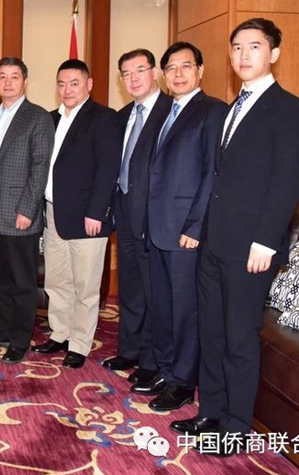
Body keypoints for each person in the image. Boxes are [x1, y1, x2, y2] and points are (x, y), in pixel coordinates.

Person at [172, 19, 299, 454]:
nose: (244, 54)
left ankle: (235, 429)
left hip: (251, 247)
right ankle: (210, 415)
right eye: (236, 47)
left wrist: (266, 242)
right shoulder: (233, 108)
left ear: (274, 53)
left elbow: (287, 181)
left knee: (238, 338)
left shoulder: (290, 108)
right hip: (214, 242)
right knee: (211, 333)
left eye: (254, 46)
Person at [131, 42, 227, 412]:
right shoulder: (165, 112)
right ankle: (167, 370)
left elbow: (212, 173)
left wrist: (195, 226)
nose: (178, 74)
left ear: (200, 70)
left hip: (185, 232)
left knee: (185, 310)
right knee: (163, 306)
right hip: (157, 229)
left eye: (186, 66)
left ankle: (184, 382)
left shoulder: (212, 111)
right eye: (171, 68)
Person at [32, 59, 121, 369]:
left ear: (89, 84)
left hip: (87, 216)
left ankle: (79, 343)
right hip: (53, 212)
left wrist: (98, 211)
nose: (67, 89)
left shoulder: (104, 118)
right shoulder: (50, 119)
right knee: (57, 280)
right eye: (62, 84)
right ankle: (60, 333)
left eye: (74, 83)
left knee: (85, 284)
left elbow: (107, 169)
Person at [0, 57, 54, 364]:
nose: (8, 82)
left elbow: (40, 166)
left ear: (25, 81)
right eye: (2, 76)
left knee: (22, 281)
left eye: (14, 76)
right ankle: (2, 329)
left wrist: (28, 209)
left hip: (20, 212)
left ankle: (20, 340)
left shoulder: (37, 117)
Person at [102, 49, 172, 384]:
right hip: (126, 210)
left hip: (155, 215)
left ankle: (151, 359)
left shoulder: (171, 111)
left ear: (154, 72)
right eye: (126, 74)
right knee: (130, 285)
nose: (133, 79)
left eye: (139, 70)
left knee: (153, 288)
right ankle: (129, 349)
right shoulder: (123, 116)